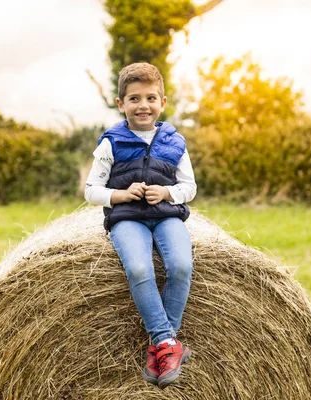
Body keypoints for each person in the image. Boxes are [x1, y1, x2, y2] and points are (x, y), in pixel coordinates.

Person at [84, 62, 196, 389]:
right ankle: (167, 341)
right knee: (138, 269)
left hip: (166, 215)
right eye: (134, 99)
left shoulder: (176, 142)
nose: (142, 105)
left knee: (180, 266)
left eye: (150, 98)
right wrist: (119, 194)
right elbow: (91, 189)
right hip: (127, 219)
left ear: (162, 102)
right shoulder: (111, 142)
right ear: (121, 104)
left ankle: (161, 347)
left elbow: (190, 187)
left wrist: (168, 192)